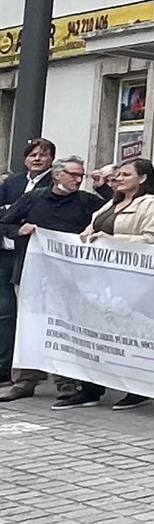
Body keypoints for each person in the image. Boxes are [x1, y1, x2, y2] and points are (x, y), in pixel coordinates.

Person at [61, 159, 154, 410]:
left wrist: (114, 240)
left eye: (125, 174)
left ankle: (135, 387)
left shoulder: (150, 204)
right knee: (92, 330)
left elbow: (152, 240)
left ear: (142, 178)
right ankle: (89, 388)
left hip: (130, 281)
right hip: (99, 279)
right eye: (118, 175)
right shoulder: (109, 205)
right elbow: (89, 230)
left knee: (127, 334)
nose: (118, 179)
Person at [0, 155, 101, 402]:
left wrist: (105, 185)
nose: (79, 180)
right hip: (31, 272)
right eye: (74, 174)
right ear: (58, 175)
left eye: (82, 175)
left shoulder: (86, 202)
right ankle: (26, 379)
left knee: (63, 325)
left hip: (69, 277)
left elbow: (112, 212)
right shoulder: (34, 198)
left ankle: (66, 380)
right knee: (30, 324)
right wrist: (19, 230)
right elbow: (5, 223)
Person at [0, 136, 55, 397]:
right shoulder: (12, 182)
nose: (37, 158)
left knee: (29, 314)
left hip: (32, 258)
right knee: (5, 312)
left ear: (51, 160)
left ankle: (30, 370)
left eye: (43, 154)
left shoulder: (53, 185)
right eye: (33, 154)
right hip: (5, 253)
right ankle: (5, 365)